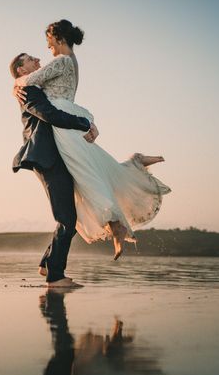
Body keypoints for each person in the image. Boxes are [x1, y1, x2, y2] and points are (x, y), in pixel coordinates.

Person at [13, 20, 171, 260]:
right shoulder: (71, 61)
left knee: (88, 174)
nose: (46, 48)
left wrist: (15, 84)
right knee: (97, 168)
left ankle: (116, 223)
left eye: (48, 41)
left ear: (57, 38)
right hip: (67, 120)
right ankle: (134, 167)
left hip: (63, 124)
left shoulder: (62, 61)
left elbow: (29, 80)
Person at [10, 53, 98, 287]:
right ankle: (56, 276)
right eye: (30, 59)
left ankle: (47, 264)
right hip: (46, 157)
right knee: (67, 218)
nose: (37, 59)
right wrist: (83, 123)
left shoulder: (28, 88)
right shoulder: (28, 90)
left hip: (53, 157)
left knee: (70, 217)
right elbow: (48, 114)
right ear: (21, 69)